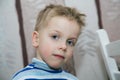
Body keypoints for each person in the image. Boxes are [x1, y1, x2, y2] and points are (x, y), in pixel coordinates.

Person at [12, 4, 85, 80]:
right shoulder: (22, 78)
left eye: (70, 42)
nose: (64, 46)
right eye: (55, 37)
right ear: (36, 39)